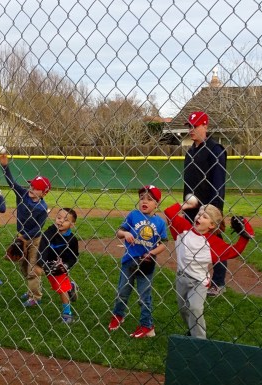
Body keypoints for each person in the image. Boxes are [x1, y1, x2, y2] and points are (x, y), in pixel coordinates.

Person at [164, 200, 253, 339]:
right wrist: (186, 205)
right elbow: (169, 212)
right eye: (199, 214)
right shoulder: (183, 229)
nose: (199, 217)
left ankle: (200, 340)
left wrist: (245, 235)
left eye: (205, 216)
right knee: (184, 310)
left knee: (195, 308)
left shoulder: (213, 243)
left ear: (212, 225)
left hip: (199, 282)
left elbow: (235, 251)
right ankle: (192, 331)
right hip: (181, 278)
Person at [108, 186, 168, 338]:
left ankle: (147, 325)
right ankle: (118, 315)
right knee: (122, 291)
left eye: (149, 199)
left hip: (146, 264)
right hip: (129, 261)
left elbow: (163, 244)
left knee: (144, 296)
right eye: (142, 198)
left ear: (157, 203)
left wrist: (152, 253)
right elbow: (119, 232)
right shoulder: (133, 215)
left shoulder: (160, 223)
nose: (144, 201)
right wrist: (125, 233)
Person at [182, 111, 228, 296]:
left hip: (209, 207)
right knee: (190, 243)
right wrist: (185, 205)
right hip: (191, 207)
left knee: (214, 243)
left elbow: (218, 182)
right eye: (190, 126)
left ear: (205, 126)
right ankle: (194, 279)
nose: (191, 130)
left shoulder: (216, 150)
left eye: (195, 126)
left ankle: (218, 282)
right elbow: (187, 183)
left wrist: (213, 208)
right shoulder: (190, 153)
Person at [0, 152, 50, 307]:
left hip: (34, 240)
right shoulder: (23, 195)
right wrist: (5, 166)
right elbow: (12, 182)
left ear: (44, 192)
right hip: (21, 236)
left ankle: (36, 297)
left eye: (36, 188)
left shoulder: (42, 208)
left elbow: (38, 228)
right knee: (24, 267)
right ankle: (31, 290)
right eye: (31, 185)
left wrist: (23, 238)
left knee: (32, 268)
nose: (31, 188)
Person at [36, 208, 79, 324]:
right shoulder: (50, 232)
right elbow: (43, 245)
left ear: (72, 224)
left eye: (65, 220)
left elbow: (73, 258)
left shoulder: (72, 240)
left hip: (60, 267)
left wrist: (65, 266)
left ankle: (67, 314)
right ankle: (70, 287)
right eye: (59, 217)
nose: (60, 221)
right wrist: (42, 262)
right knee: (56, 286)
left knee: (61, 289)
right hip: (48, 264)